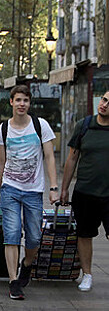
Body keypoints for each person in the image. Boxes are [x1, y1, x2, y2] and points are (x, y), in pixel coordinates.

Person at [0, 84, 59, 300]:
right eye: (18, 100)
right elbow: (0, 164)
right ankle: (13, 281)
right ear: (11, 102)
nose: (22, 104)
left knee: (34, 238)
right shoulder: (2, 130)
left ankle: (27, 264)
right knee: (11, 234)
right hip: (10, 188)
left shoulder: (41, 126)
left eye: (25, 101)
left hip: (33, 190)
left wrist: (53, 187)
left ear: (29, 104)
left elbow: (49, 157)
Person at [60, 90, 109, 292]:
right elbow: (72, 158)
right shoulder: (84, 125)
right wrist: (64, 188)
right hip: (85, 191)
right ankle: (87, 274)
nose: (104, 104)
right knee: (84, 234)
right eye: (104, 99)